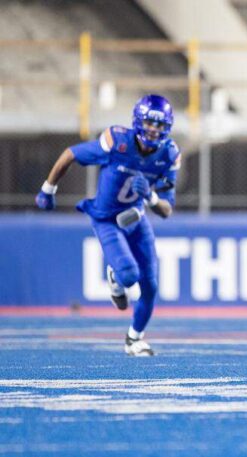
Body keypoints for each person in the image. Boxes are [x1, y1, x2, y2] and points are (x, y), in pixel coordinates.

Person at [35, 94, 181, 356]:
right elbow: (71, 154)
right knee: (128, 275)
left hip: (135, 217)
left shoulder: (168, 154)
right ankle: (116, 276)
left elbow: (166, 210)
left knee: (151, 285)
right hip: (106, 219)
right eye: (150, 123)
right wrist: (48, 188)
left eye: (160, 125)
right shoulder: (118, 143)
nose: (154, 129)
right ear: (138, 121)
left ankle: (134, 339)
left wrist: (151, 196)